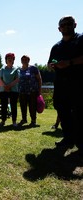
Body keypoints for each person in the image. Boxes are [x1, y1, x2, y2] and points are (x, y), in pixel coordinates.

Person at [48, 15, 83, 156]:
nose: (66, 27)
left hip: (79, 83)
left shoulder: (81, 40)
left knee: (80, 112)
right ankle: (68, 138)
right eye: (63, 25)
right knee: (62, 110)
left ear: (75, 24)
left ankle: (81, 142)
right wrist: (51, 65)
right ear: (59, 29)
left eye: (69, 24)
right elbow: (49, 63)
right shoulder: (56, 46)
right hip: (61, 84)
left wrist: (69, 63)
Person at [18, 55, 42, 127]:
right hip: (22, 91)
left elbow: (39, 79)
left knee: (32, 106)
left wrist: (39, 90)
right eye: (23, 59)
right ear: (21, 61)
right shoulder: (19, 69)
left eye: (26, 59)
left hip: (33, 91)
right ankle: (24, 119)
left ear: (29, 60)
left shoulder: (33, 68)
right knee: (23, 106)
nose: (24, 61)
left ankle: (33, 121)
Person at [0, 53, 20, 127]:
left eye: (11, 58)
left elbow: (17, 79)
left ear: (13, 60)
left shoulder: (16, 69)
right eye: (8, 58)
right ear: (6, 60)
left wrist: (9, 86)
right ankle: (3, 121)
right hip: (3, 90)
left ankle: (14, 121)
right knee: (3, 106)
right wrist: (5, 86)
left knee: (13, 106)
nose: (10, 60)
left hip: (14, 90)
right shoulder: (2, 69)